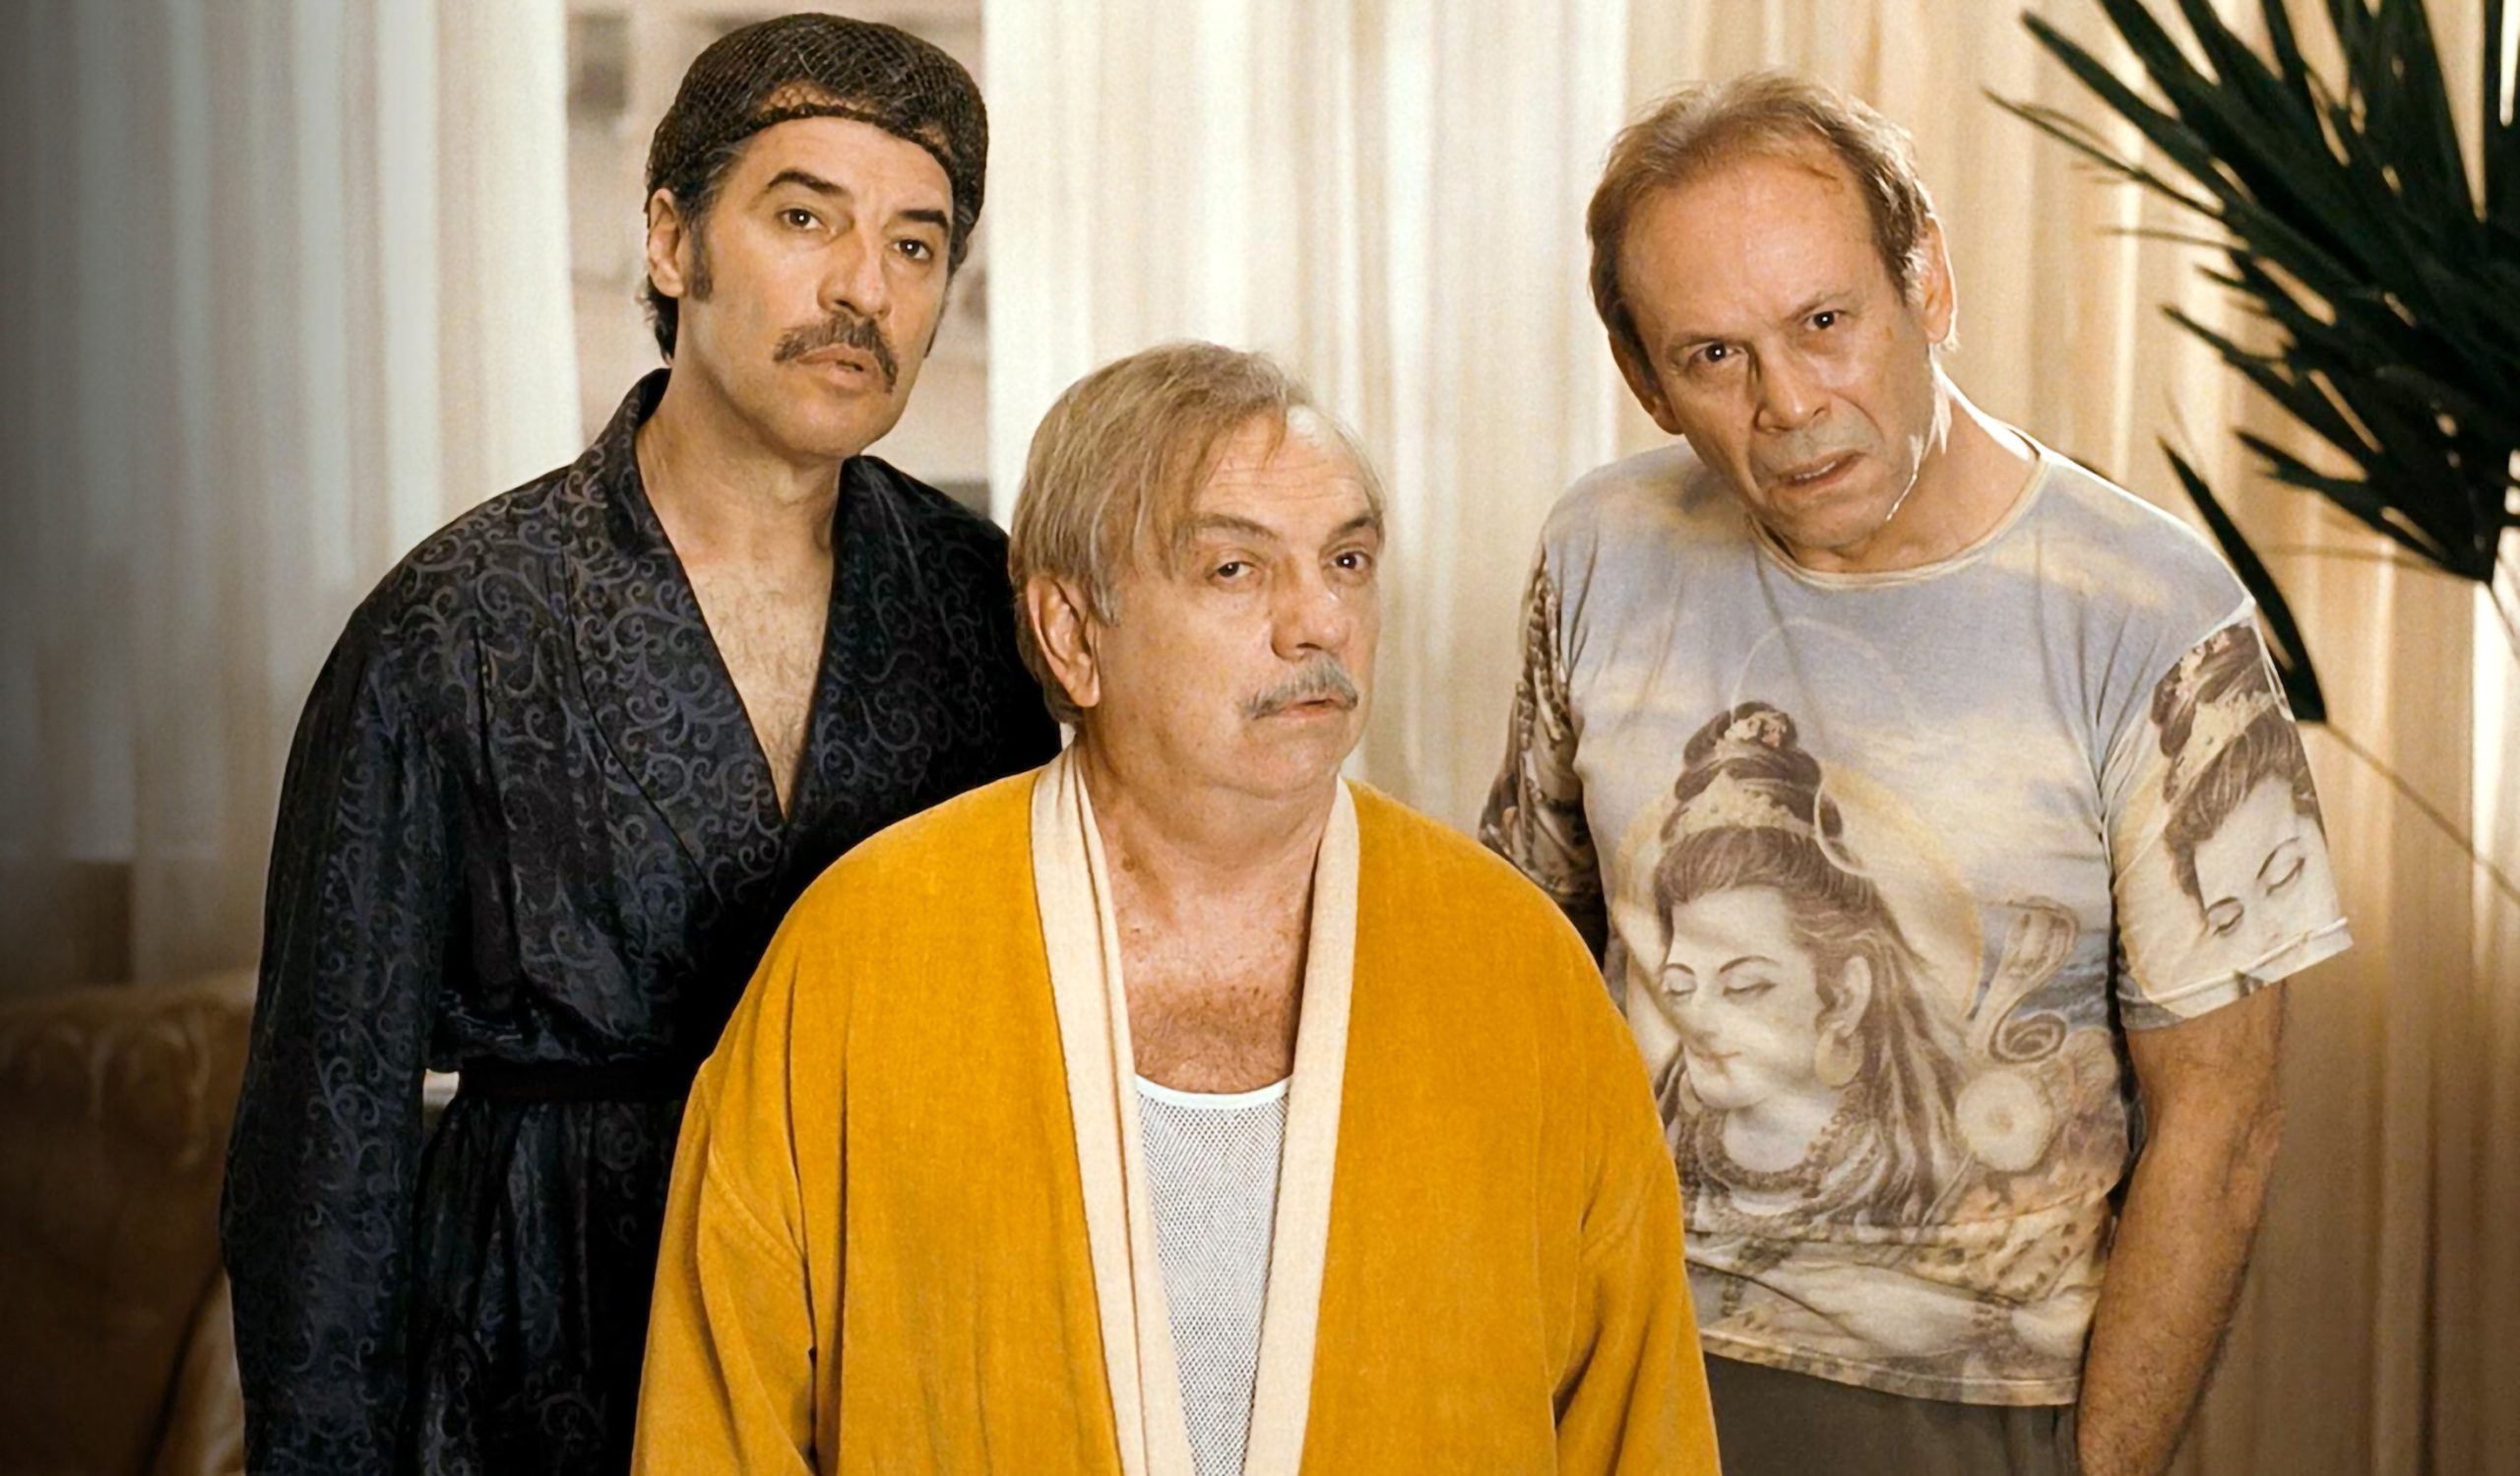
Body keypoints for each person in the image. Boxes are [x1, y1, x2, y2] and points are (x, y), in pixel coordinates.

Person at [630, 342, 1721, 1475]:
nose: (1318, 620)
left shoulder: (1512, 965)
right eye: (1234, 569)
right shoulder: (865, 951)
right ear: (1072, 633)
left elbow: (1640, 1426)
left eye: (1346, 559)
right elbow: (715, 1427)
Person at [220, 16, 1057, 1474]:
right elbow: (323, 1144)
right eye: (805, 217)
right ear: (671, 241)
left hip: (878, 1335)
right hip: (537, 1345)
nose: (864, 288)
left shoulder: (982, 611)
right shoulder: (451, 625)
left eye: (916, 245)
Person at [1482, 72, 2349, 1476]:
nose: (1789, 403)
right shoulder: (1601, 547)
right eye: (1713, 355)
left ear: (1927, 281)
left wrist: (2096, 1465)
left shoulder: (2157, 617)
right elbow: (1523, 958)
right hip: (1616, 1346)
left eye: (1825, 322)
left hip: (1979, 1397)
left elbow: (2223, 1123)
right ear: (1646, 379)